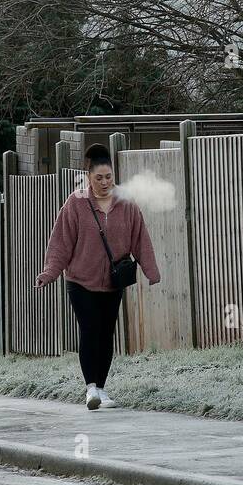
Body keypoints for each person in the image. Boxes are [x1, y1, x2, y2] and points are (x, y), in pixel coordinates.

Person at [36, 143, 161, 409]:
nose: (104, 182)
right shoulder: (76, 203)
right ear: (88, 176)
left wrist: (151, 270)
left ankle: (101, 389)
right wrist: (49, 273)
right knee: (90, 329)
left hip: (112, 283)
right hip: (80, 281)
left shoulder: (127, 204)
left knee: (105, 334)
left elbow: (140, 238)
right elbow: (61, 242)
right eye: (98, 178)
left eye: (109, 177)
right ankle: (90, 388)